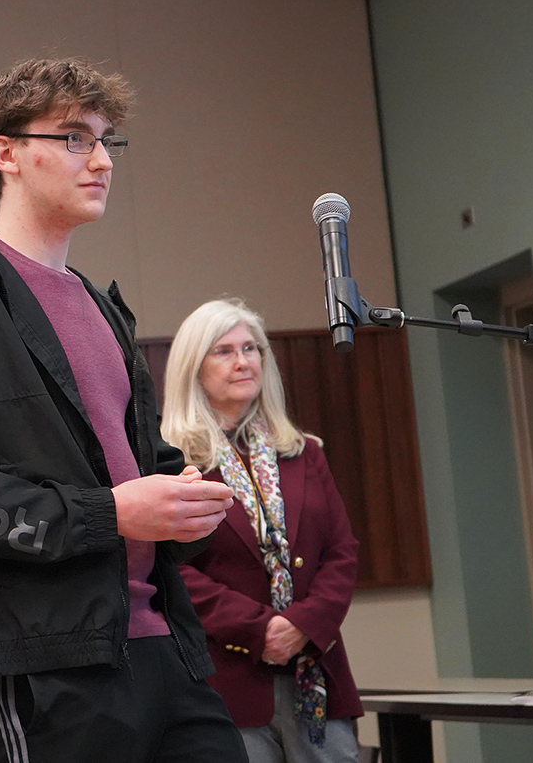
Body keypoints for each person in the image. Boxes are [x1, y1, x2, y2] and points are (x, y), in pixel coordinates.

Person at [0, 57, 246, 763]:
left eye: (106, 141)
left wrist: (189, 501)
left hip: (164, 645)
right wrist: (113, 512)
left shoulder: (102, 306)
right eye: (74, 138)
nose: (100, 159)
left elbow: (141, 467)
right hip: (44, 662)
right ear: (5, 152)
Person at [161, 298, 363, 763]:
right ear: (194, 367)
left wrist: (301, 625)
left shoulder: (303, 451)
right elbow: (174, 571)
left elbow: (341, 551)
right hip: (227, 680)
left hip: (314, 670)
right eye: (224, 351)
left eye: (251, 348)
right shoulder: (172, 463)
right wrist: (262, 630)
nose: (243, 361)